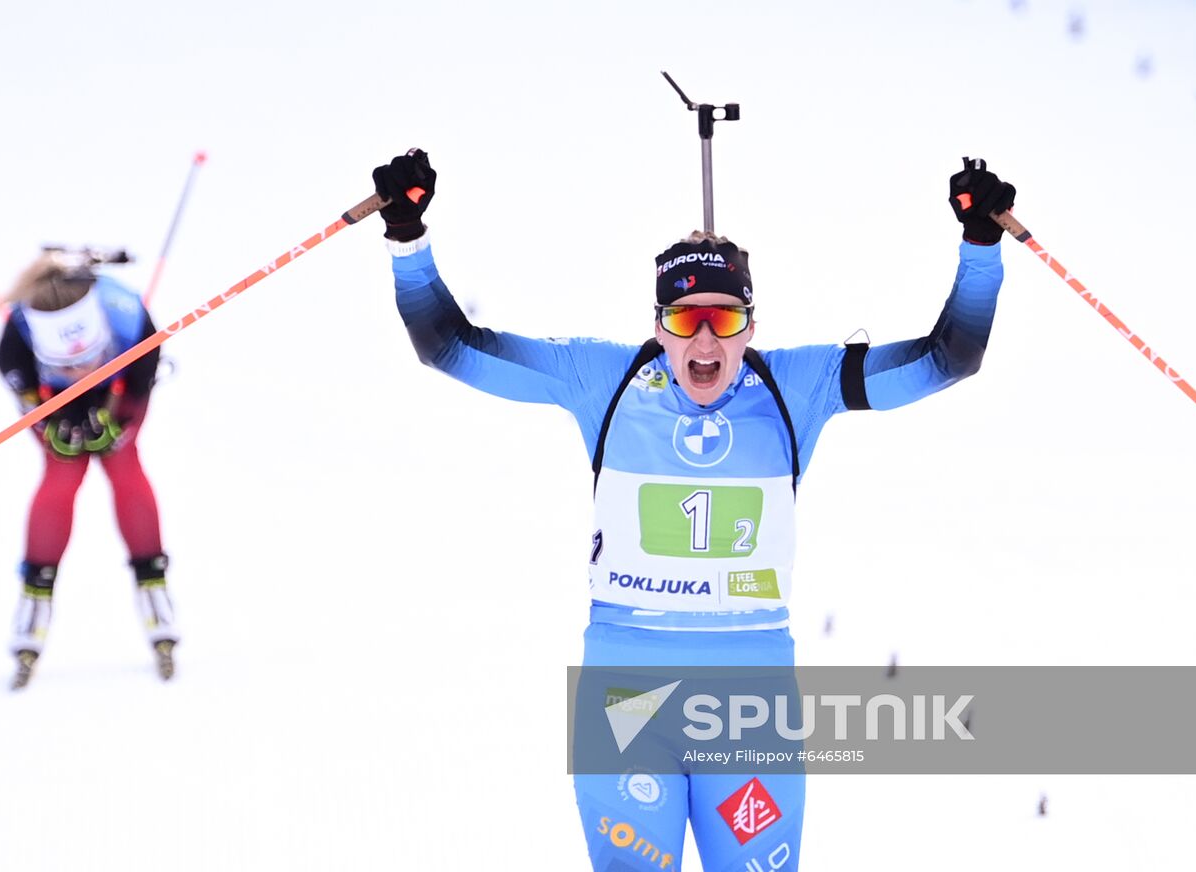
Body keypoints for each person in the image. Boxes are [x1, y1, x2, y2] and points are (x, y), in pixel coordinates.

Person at [372, 149, 1015, 871]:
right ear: (658, 325)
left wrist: (980, 245)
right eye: (684, 318)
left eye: (725, 317)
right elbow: (448, 346)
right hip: (626, 692)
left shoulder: (797, 386)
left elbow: (949, 359)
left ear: (750, 324)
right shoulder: (603, 379)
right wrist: (407, 236)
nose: (705, 339)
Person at [0, 249, 179, 689]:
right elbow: (25, 394)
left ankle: (153, 587)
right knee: (62, 474)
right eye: (65, 365)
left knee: (124, 465)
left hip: (121, 381)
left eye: (87, 358)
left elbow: (139, 390)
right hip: (51, 396)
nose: (78, 372)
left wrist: (120, 424)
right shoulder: (17, 343)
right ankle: (34, 599)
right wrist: (48, 424)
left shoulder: (130, 321)